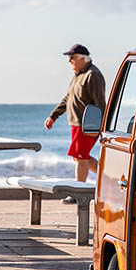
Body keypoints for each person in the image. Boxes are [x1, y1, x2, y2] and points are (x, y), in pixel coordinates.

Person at [44, 44, 106, 195]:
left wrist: (103, 126)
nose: (69, 61)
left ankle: (78, 193)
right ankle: (108, 179)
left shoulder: (93, 75)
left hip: (87, 124)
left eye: (72, 58)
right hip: (76, 124)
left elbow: (100, 102)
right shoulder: (78, 75)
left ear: (82, 58)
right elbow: (68, 98)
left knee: (80, 158)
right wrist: (54, 115)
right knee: (79, 157)